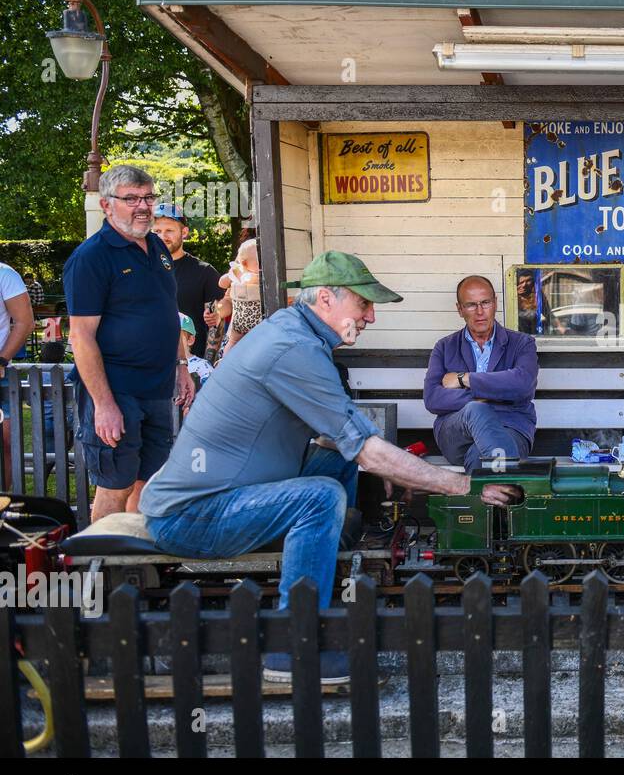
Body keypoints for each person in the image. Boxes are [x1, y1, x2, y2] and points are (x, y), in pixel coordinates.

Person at [138, 251, 522, 684]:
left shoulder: (295, 335)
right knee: (321, 497)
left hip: (228, 495)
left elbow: (341, 439)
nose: (372, 317)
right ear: (325, 298)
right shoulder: (293, 349)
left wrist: (388, 469)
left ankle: (324, 562)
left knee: (336, 460)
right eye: (364, 304)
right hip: (195, 514)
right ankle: (293, 648)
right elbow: (368, 449)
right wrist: (461, 485)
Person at [64, 165, 194, 522]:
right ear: (107, 206)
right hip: (115, 390)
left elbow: (169, 313)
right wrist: (104, 404)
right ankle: (105, 570)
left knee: (147, 484)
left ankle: (136, 566)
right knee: (116, 484)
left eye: (148, 197)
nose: (143, 206)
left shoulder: (156, 246)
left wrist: (182, 367)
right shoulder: (91, 258)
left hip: (156, 388)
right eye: (131, 199)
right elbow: (81, 336)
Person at [424, 275, 538, 470]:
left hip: (510, 429)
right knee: (476, 410)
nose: (479, 312)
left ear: (495, 303)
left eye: (485, 302)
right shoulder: (444, 347)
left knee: (481, 457)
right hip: (457, 433)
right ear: (460, 309)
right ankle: (508, 494)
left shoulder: (522, 343)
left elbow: (522, 386)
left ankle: (483, 499)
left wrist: (465, 379)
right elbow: (433, 398)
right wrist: (486, 398)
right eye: (471, 305)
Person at [151, 203, 224, 357]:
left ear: (184, 232)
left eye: (169, 230)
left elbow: (216, 324)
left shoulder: (204, 272)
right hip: (148, 364)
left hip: (191, 365)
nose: (162, 237)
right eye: (156, 231)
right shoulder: (138, 270)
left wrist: (207, 364)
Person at [0, 262, 35, 488]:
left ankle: (2, 504)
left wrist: (2, 359)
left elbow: (25, 321)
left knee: (6, 445)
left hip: (1, 376)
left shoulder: (4, 273)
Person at [219, 238, 262, 356]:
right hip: (250, 320)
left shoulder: (256, 275)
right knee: (233, 340)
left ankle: (226, 358)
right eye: (259, 261)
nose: (263, 263)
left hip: (244, 321)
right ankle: (226, 359)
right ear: (244, 263)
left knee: (234, 341)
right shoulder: (241, 274)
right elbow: (221, 283)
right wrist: (229, 276)